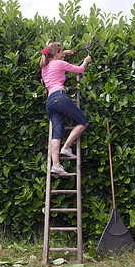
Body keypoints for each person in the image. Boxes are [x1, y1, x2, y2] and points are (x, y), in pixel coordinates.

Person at [40, 42, 92, 174]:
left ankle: (56, 165)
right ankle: (66, 147)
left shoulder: (44, 67)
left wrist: (64, 53)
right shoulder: (59, 63)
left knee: (56, 134)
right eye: (61, 51)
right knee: (83, 121)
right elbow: (80, 69)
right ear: (57, 53)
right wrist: (86, 61)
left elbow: (56, 61)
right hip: (60, 97)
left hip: (50, 102)